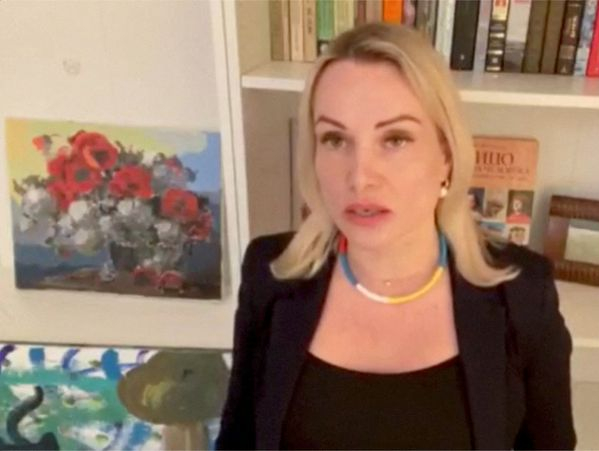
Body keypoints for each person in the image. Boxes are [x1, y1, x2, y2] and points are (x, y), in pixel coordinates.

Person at [216, 23, 575, 451]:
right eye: (335, 139)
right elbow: (238, 440)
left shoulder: (523, 294)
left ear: (446, 155)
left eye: (395, 139)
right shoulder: (271, 273)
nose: (360, 177)